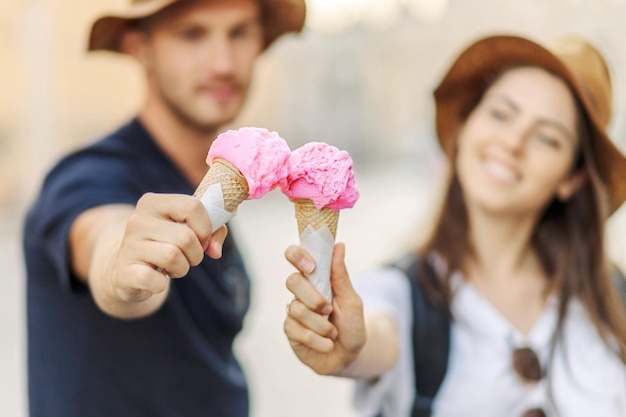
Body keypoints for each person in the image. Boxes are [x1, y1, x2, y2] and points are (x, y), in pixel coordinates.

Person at [283, 33, 626, 417]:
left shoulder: (614, 300)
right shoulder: (404, 294)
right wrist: (345, 344)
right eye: (500, 114)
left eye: (547, 137)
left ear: (573, 178)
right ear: (464, 129)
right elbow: (371, 334)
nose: (513, 142)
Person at [23, 0, 305, 416]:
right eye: (192, 34)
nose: (224, 63)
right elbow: (103, 237)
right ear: (140, 48)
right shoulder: (89, 175)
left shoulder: (211, 184)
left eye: (240, 32)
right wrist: (123, 265)